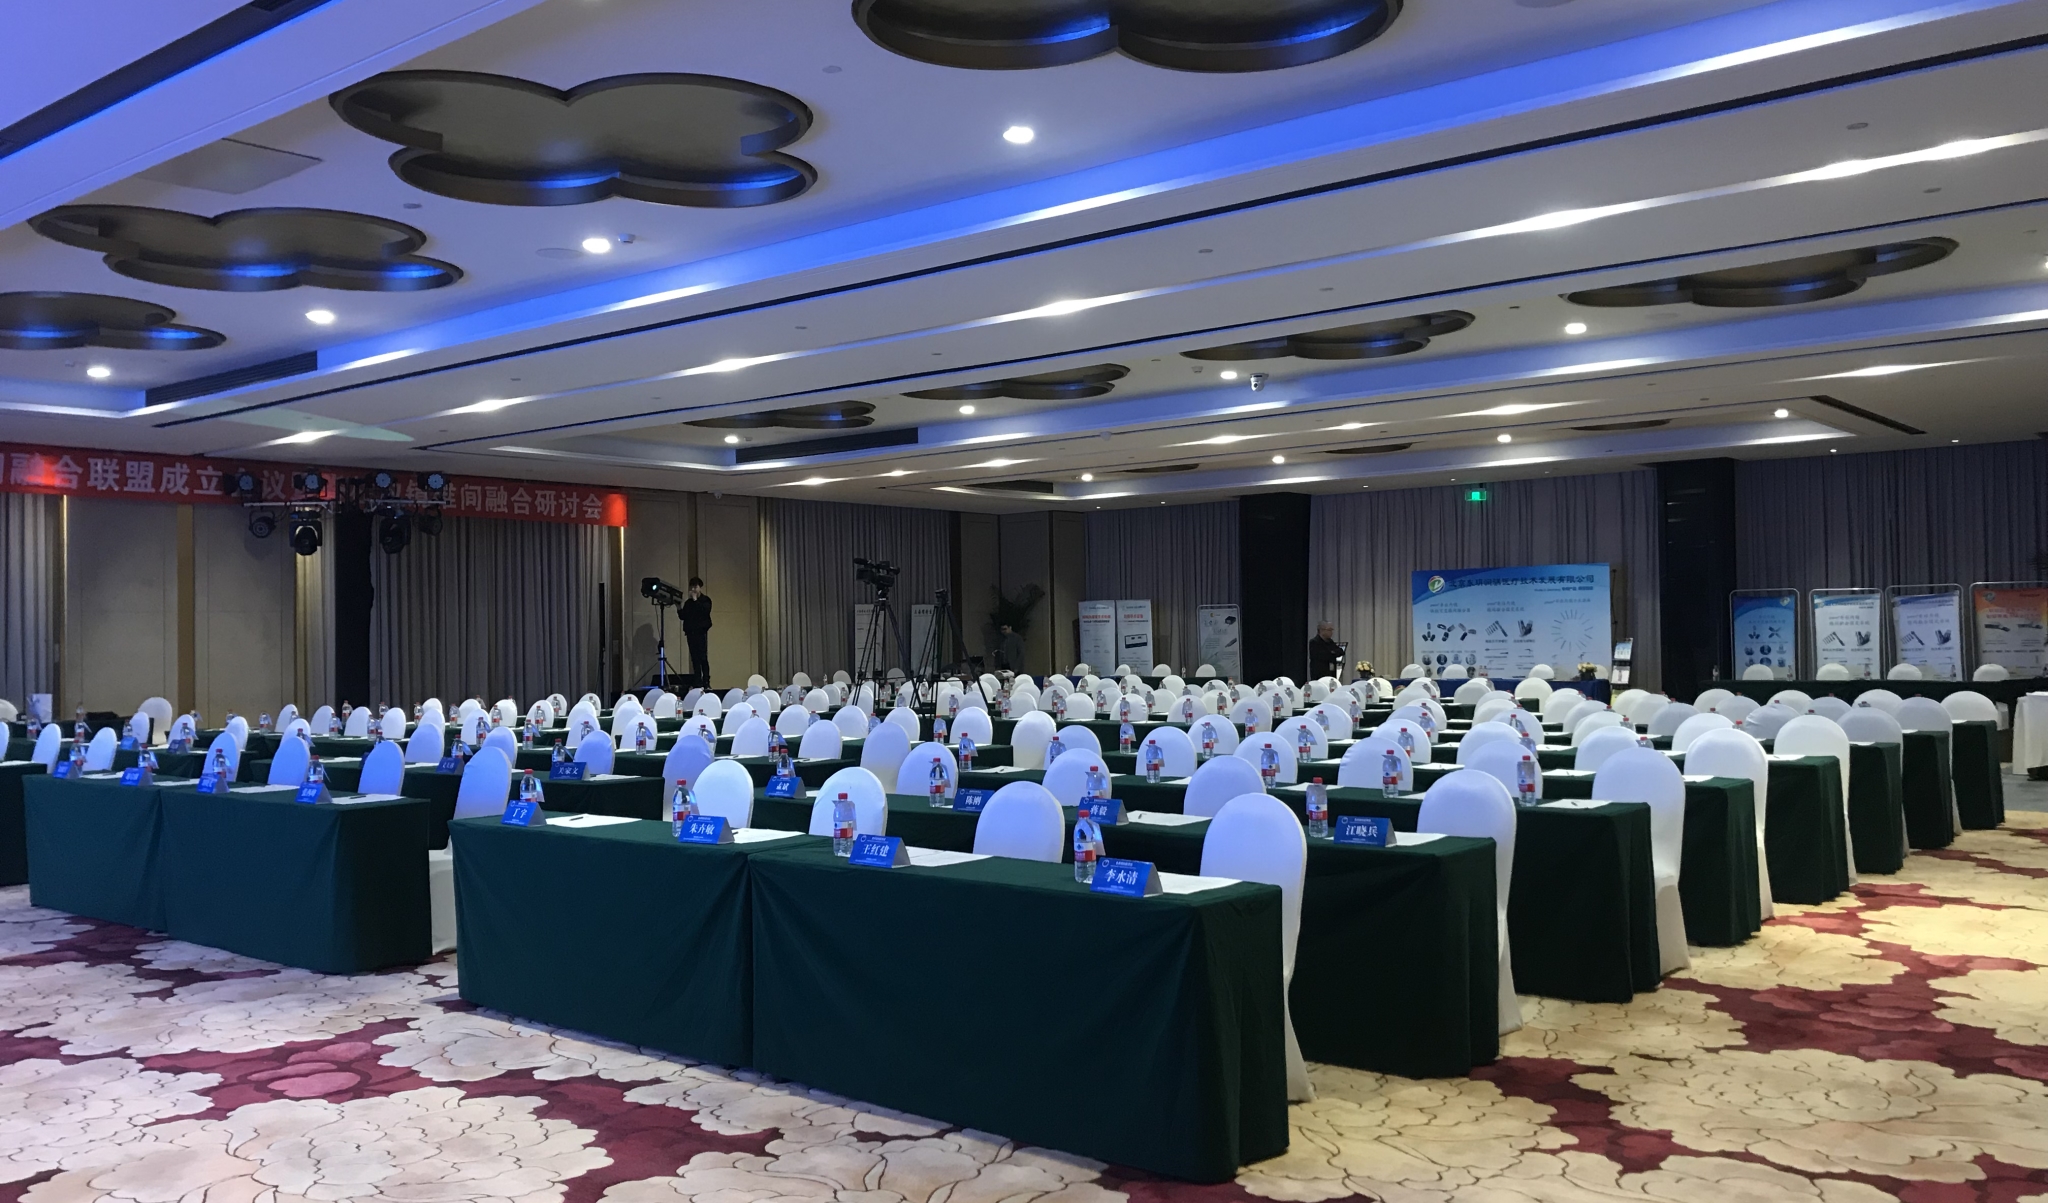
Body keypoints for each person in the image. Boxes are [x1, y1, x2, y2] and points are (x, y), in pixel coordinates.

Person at [680, 577, 713, 687]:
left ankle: (706, 681)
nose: (693, 589)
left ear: (700, 588)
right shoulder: (688, 603)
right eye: (691, 587)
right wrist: (678, 607)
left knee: (703, 657)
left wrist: (695, 600)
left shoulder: (706, 600)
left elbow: (704, 611)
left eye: (695, 587)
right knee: (694, 658)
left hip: (701, 633)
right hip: (691, 633)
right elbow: (683, 616)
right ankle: (697, 681)